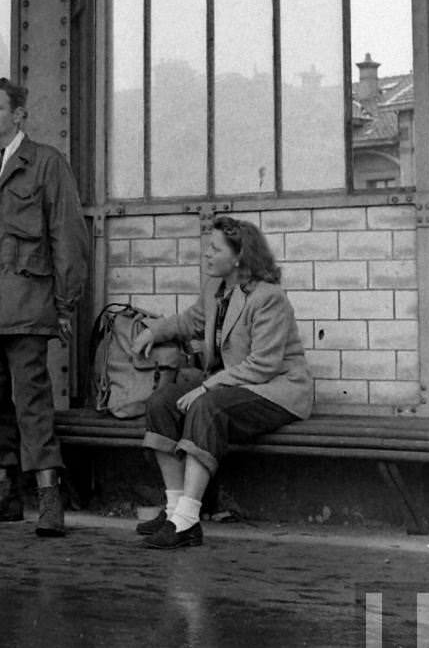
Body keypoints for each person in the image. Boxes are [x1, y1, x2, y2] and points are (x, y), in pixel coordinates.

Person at [0, 75, 88, 537]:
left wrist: (65, 304)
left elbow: (68, 236)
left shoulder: (46, 164)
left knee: (32, 403)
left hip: (26, 305)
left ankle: (48, 496)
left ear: (19, 114)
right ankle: (2, 493)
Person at [132, 214, 312, 549]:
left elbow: (263, 365)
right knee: (161, 403)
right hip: (236, 384)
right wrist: (153, 331)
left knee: (207, 406)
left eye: (214, 249)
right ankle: (174, 512)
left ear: (239, 256)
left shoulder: (268, 297)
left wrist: (207, 385)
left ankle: (187, 521)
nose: (207, 255)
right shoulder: (217, 289)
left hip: (276, 390)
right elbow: (190, 321)